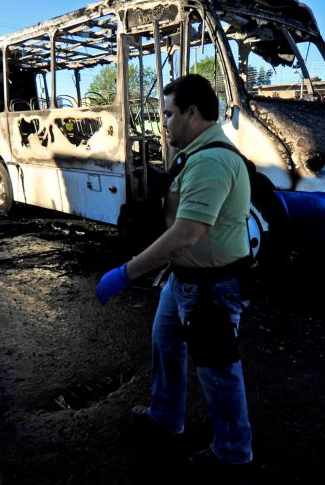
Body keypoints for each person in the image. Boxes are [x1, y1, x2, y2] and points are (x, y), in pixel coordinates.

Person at [96, 74, 254, 473]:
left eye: (168, 114)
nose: (163, 123)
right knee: (164, 344)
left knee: (218, 371)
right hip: (184, 280)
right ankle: (166, 418)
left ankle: (233, 454)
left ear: (192, 113)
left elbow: (185, 234)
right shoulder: (197, 153)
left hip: (212, 288)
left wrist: (126, 273)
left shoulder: (213, 161)